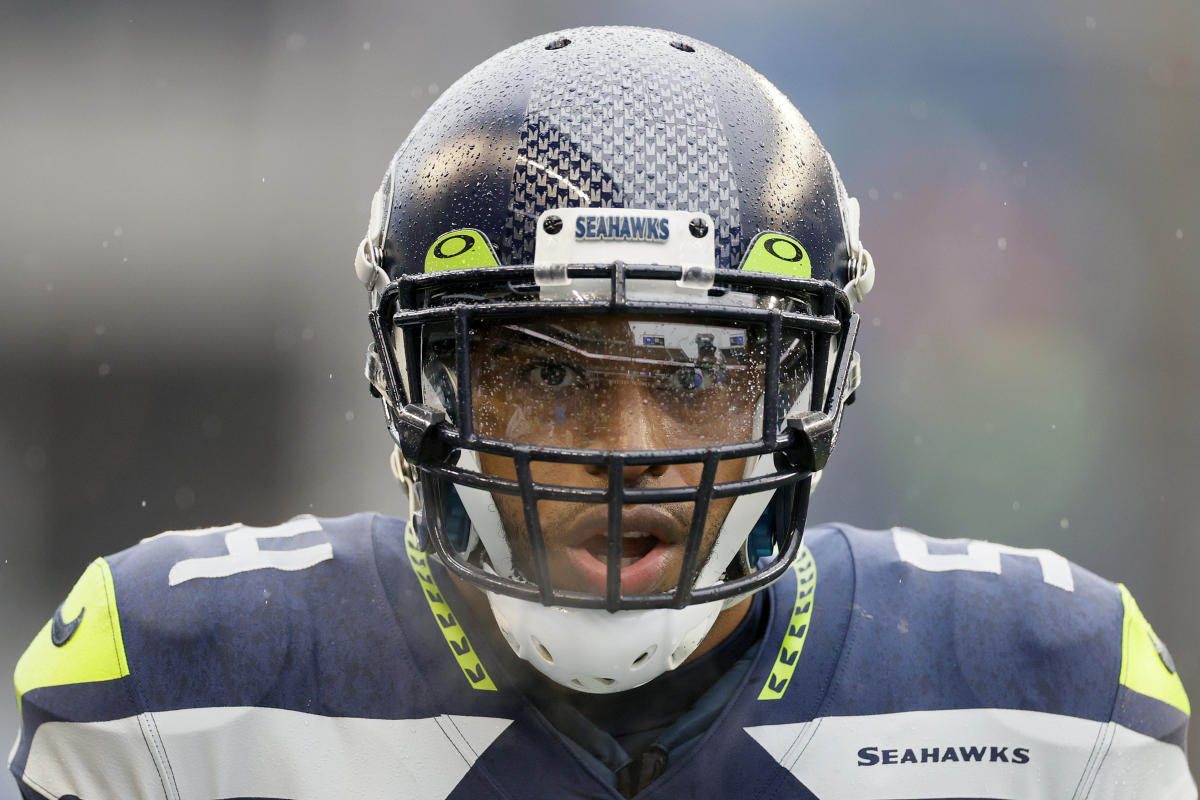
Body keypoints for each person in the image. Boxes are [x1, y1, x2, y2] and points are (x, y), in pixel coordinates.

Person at [8, 25, 1195, 800]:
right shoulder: (183, 689)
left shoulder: (1045, 696)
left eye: (691, 375)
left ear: (805, 386)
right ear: (419, 379)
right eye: (551, 370)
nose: (626, 448)